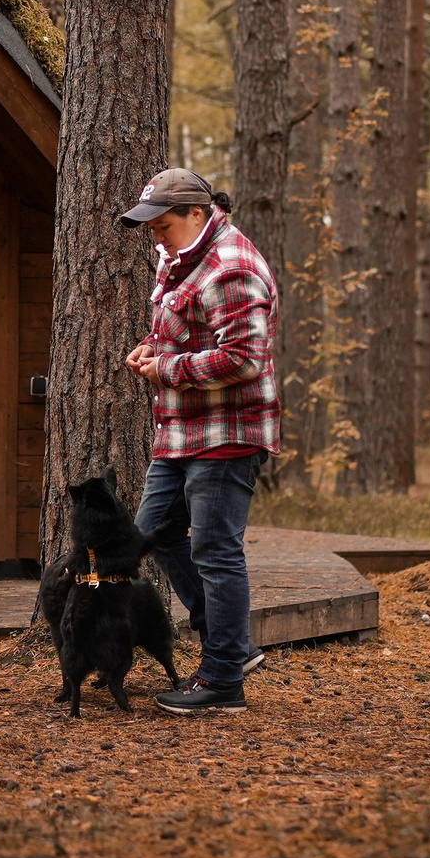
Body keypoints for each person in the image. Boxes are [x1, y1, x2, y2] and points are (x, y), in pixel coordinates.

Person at [118, 167, 280, 714]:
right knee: (155, 531)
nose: (156, 238)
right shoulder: (180, 257)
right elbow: (187, 329)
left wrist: (166, 368)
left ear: (197, 213)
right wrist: (151, 348)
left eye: (163, 225)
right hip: (183, 428)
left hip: (227, 431)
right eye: (152, 228)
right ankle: (230, 645)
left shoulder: (232, 268)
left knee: (214, 550)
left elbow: (243, 359)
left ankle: (223, 682)